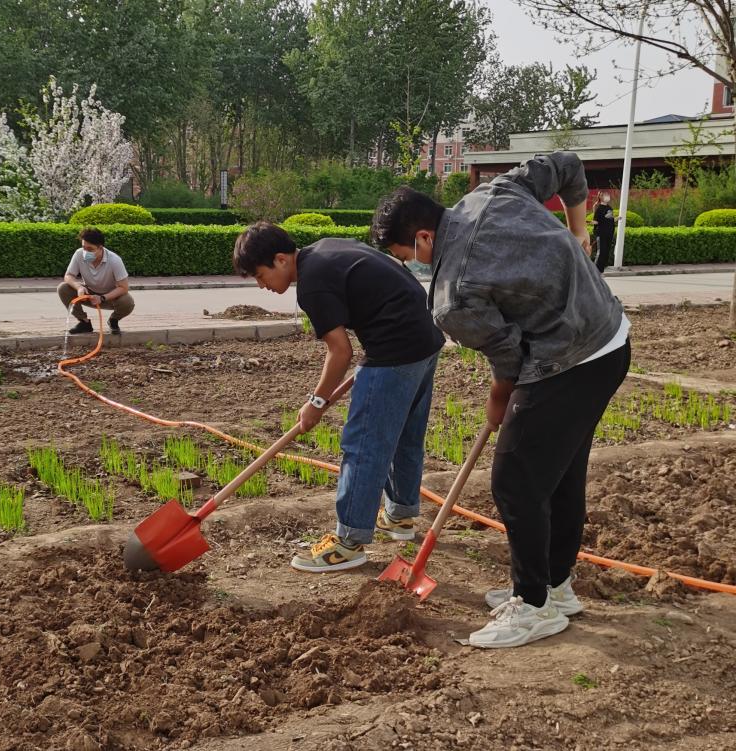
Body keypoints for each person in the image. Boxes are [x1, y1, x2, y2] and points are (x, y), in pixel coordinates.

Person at [372, 151, 630, 649]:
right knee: (560, 474)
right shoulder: (494, 192)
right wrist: (579, 231)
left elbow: (508, 357)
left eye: (408, 255)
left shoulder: (452, 294)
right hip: (612, 338)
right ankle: (555, 589)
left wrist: (500, 398)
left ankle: (532, 606)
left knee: (513, 481)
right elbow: (568, 165)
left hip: (567, 361)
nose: (415, 265)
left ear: (424, 237)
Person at [233, 222, 446, 573]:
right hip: (425, 338)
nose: (262, 286)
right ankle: (400, 517)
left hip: (395, 348)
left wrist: (316, 402)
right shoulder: (324, 250)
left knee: (364, 444)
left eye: (260, 275)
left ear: (282, 259)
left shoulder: (312, 285)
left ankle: (349, 542)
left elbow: (340, 352)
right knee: (406, 434)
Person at [58, 227, 134, 334]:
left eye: (90, 249)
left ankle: (113, 320)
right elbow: (69, 276)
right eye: (84, 248)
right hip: (89, 293)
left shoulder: (114, 260)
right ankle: (84, 323)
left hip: (110, 296)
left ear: (100, 248)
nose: (85, 252)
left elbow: (124, 287)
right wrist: (79, 287)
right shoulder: (79, 254)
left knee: (127, 302)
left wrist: (102, 298)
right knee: (63, 288)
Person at [592, 191, 616, 273]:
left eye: (608, 195)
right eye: (605, 195)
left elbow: (610, 220)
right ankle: (595, 271)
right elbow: (596, 221)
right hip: (601, 233)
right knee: (601, 252)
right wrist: (590, 223)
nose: (607, 197)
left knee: (606, 253)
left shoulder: (610, 208)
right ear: (600, 197)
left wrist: (617, 219)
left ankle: (601, 271)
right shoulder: (598, 207)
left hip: (609, 233)